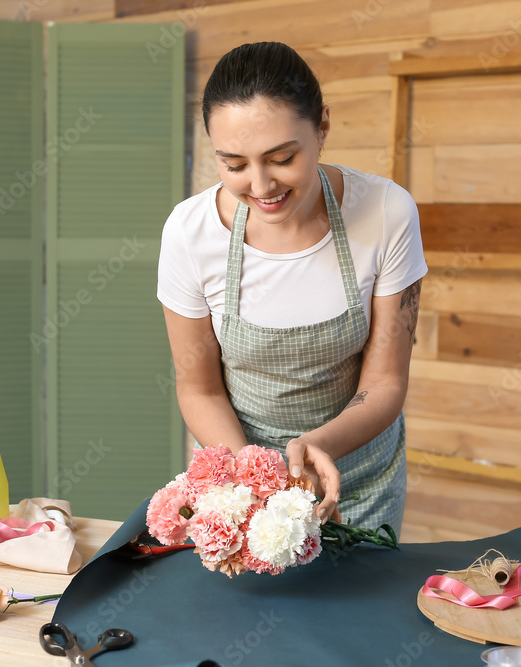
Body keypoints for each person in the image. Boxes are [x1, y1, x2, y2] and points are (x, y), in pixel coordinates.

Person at [157, 42, 426, 535]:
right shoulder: (188, 233)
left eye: (281, 158)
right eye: (234, 165)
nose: (260, 187)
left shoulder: (388, 213)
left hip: (356, 481)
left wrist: (318, 447)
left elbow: (385, 382)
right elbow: (199, 389)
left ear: (322, 126)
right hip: (240, 484)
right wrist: (259, 482)